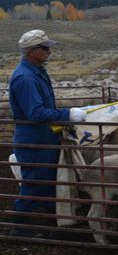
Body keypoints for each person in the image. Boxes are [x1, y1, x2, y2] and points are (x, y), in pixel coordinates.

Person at [8, 29, 87, 237]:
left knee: (50, 181)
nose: (49, 51)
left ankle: (54, 227)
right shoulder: (25, 78)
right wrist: (68, 114)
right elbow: (36, 113)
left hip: (45, 136)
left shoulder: (37, 72)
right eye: (45, 48)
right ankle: (18, 229)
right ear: (32, 51)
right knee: (34, 184)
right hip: (35, 139)